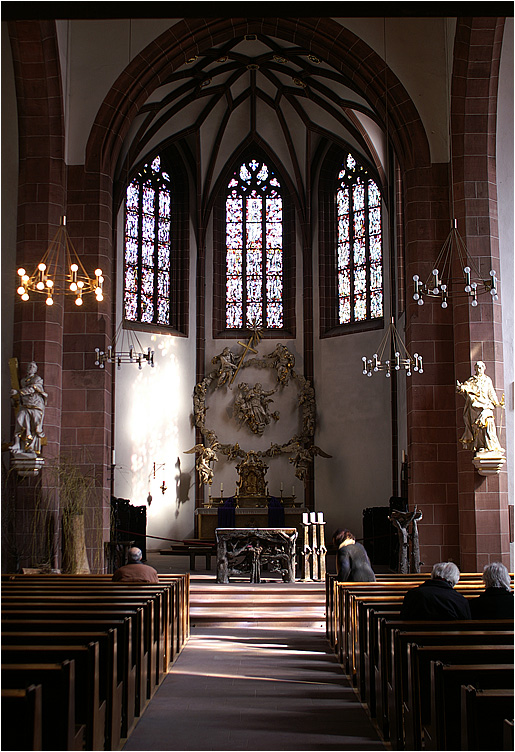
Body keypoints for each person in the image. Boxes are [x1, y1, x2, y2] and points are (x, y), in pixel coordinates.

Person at [456, 360, 505, 455]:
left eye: (481, 367)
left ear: (484, 368)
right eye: (477, 367)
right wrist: (460, 388)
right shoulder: (472, 380)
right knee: (478, 427)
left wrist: (497, 403)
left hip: (486, 405)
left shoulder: (487, 380)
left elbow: (491, 393)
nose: (479, 369)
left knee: (489, 423)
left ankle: (491, 446)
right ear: (475, 369)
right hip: (475, 407)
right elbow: (464, 389)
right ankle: (482, 446)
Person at [400, 561, 471, 620]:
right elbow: (465, 624)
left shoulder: (412, 594)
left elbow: (404, 618)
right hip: (449, 636)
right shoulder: (459, 600)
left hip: (414, 636)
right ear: (453, 580)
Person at [10, 361, 48, 456]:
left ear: (35, 370)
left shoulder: (37, 379)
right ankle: (17, 444)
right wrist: (15, 398)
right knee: (19, 420)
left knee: (34, 425)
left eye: (32, 366)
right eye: (29, 366)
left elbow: (32, 389)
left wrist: (18, 392)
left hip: (36, 405)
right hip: (25, 405)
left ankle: (31, 447)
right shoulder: (23, 381)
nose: (30, 367)